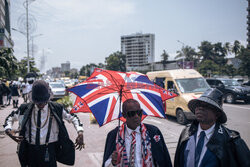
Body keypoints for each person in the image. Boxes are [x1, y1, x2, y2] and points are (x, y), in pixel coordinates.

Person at [4, 80, 85, 167]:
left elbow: (74, 118)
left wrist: (80, 132)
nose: (41, 104)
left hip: (49, 150)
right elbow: (9, 118)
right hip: (30, 151)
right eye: (38, 102)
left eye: (44, 101)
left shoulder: (57, 108)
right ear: (33, 99)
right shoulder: (25, 109)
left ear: (48, 98)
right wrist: (8, 130)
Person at [174, 88, 250, 167]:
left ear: (217, 114)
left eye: (206, 105)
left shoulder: (231, 140)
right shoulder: (186, 133)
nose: (200, 108)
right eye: (198, 104)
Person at [102, 99, 172, 167]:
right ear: (124, 115)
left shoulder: (153, 132)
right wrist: (113, 162)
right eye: (131, 114)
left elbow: (164, 159)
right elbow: (106, 163)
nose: (136, 116)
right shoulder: (114, 135)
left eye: (139, 112)